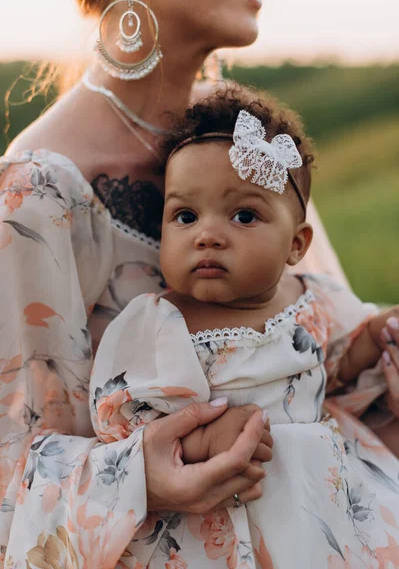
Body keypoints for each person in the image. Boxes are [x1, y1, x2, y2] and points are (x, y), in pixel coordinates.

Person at [0, 0, 277, 566]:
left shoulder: (244, 143)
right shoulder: (37, 195)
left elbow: (317, 322)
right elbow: (11, 478)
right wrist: (135, 478)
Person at [92, 87, 399, 568]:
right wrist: (202, 442)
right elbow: (121, 418)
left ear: (295, 245)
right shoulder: (160, 322)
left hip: (322, 503)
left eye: (243, 215)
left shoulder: (312, 300)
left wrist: (379, 333)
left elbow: (335, 362)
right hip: (217, 517)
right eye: (185, 216)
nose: (207, 234)